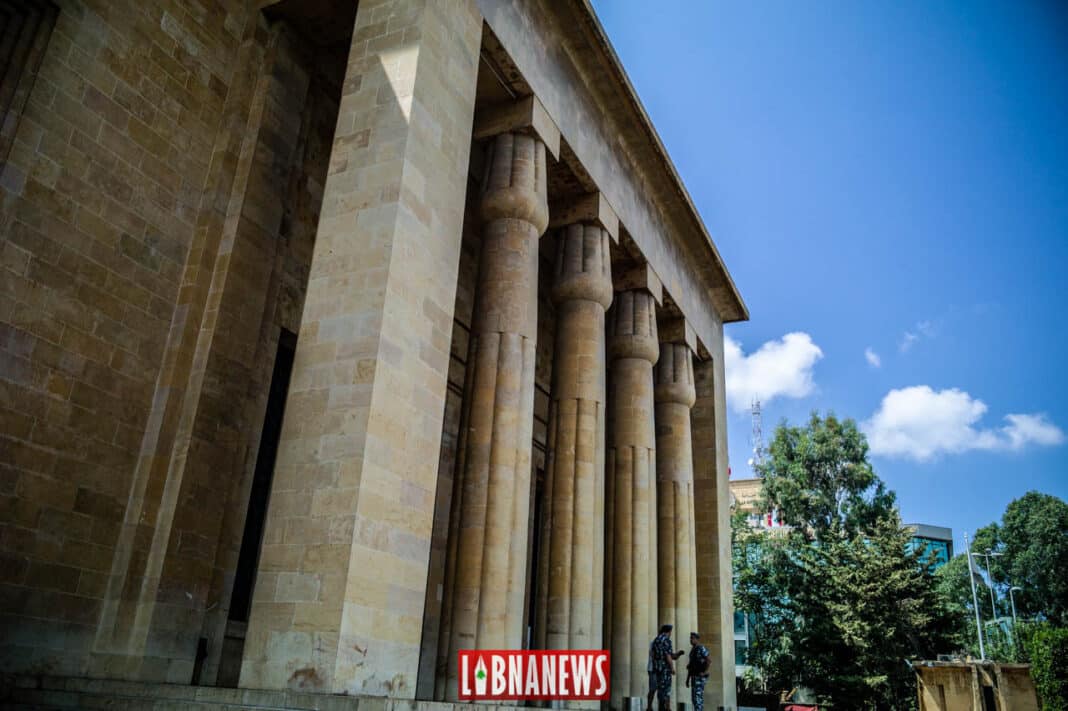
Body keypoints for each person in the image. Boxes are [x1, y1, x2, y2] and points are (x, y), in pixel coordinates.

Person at [647, 624, 686, 711]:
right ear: (669, 631)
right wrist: (672, 668)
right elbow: (668, 656)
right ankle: (665, 708)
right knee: (665, 689)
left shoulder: (656, 640)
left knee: (659, 690)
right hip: (664, 670)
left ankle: (660, 707)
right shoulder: (666, 640)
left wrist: (678, 654)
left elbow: (655, 655)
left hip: (656, 669)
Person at [685, 632, 711, 711]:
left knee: (698, 699)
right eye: (690, 638)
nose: (691, 640)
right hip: (694, 676)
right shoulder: (692, 651)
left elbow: (708, 660)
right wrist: (687, 679)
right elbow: (691, 666)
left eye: (692, 638)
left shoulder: (701, 648)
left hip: (699, 677)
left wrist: (704, 672)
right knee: (694, 699)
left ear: (697, 639)